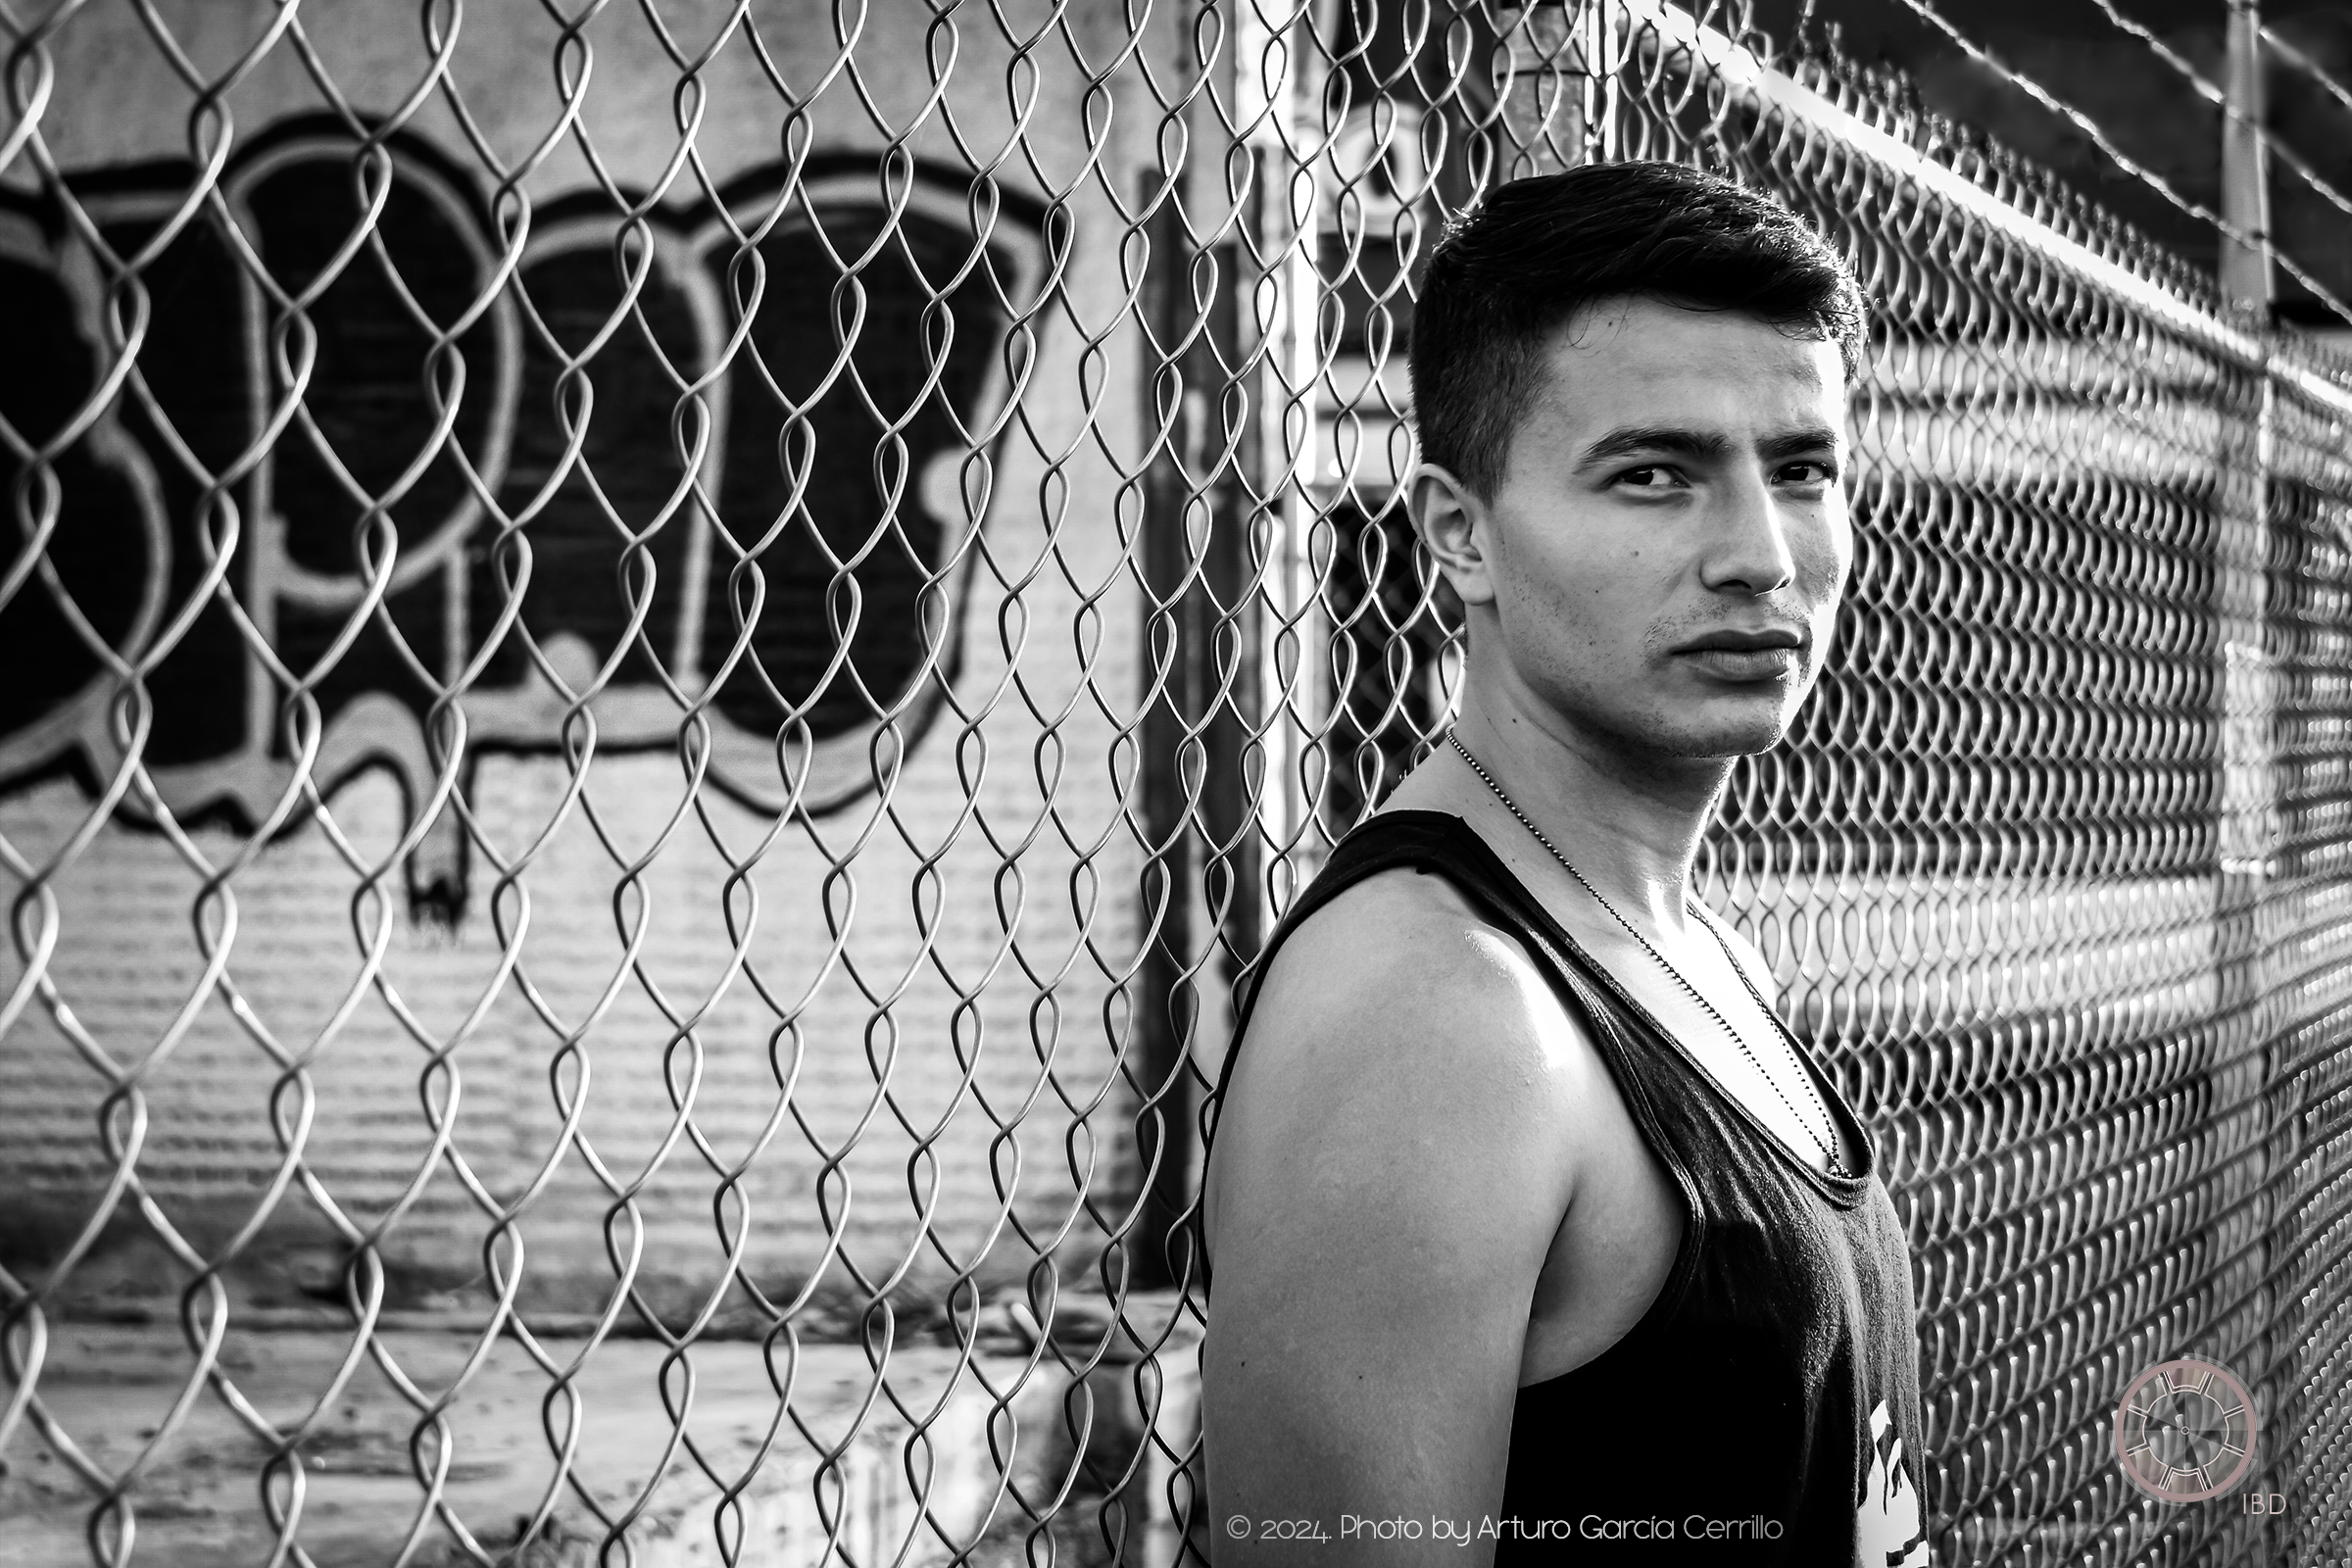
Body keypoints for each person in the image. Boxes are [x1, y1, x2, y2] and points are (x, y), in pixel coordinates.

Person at [1197, 161, 1933, 1565]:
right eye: (1655, 476)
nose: (1762, 558)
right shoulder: (1440, 1019)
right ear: (1457, 534)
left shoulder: (1691, 947)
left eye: (1801, 470)